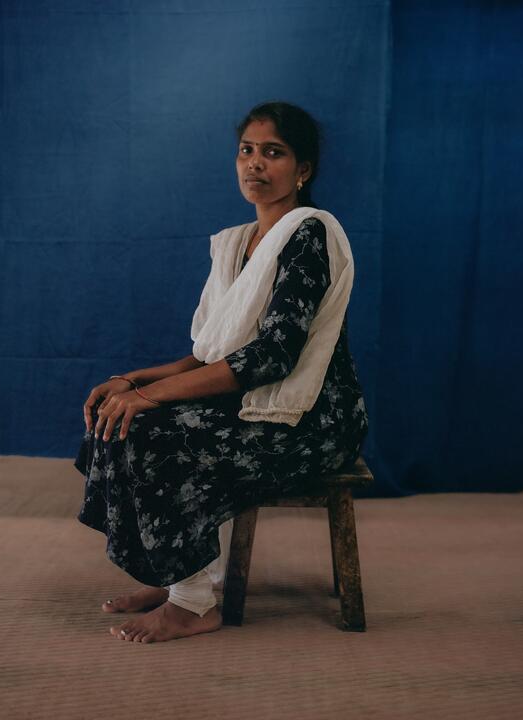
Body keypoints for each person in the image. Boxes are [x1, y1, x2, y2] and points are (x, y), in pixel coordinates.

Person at [74, 101, 369, 644]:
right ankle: (178, 578)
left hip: (312, 419)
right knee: (125, 417)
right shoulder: (237, 244)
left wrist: (153, 397)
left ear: (303, 170)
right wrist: (135, 381)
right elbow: (213, 354)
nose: (254, 164)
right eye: (246, 151)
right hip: (256, 402)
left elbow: (271, 357)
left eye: (273, 153)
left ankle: (193, 605)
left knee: (158, 434)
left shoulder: (308, 233)